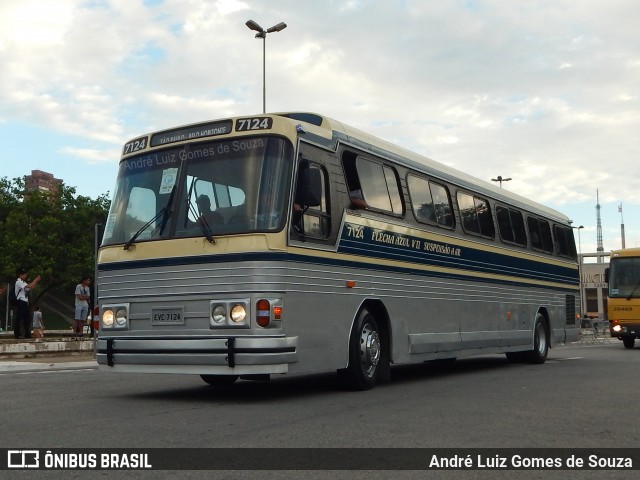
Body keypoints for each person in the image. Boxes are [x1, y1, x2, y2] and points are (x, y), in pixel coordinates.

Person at [13, 268, 41, 339]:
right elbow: (29, 286)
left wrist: (36, 281)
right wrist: (35, 280)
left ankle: (27, 334)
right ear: (20, 275)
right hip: (21, 301)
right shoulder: (18, 282)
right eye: (24, 274)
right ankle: (17, 334)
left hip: (25, 302)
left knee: (27, 318)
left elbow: (30, 287)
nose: (25, 276)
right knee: (19, 318)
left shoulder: (23, 282)